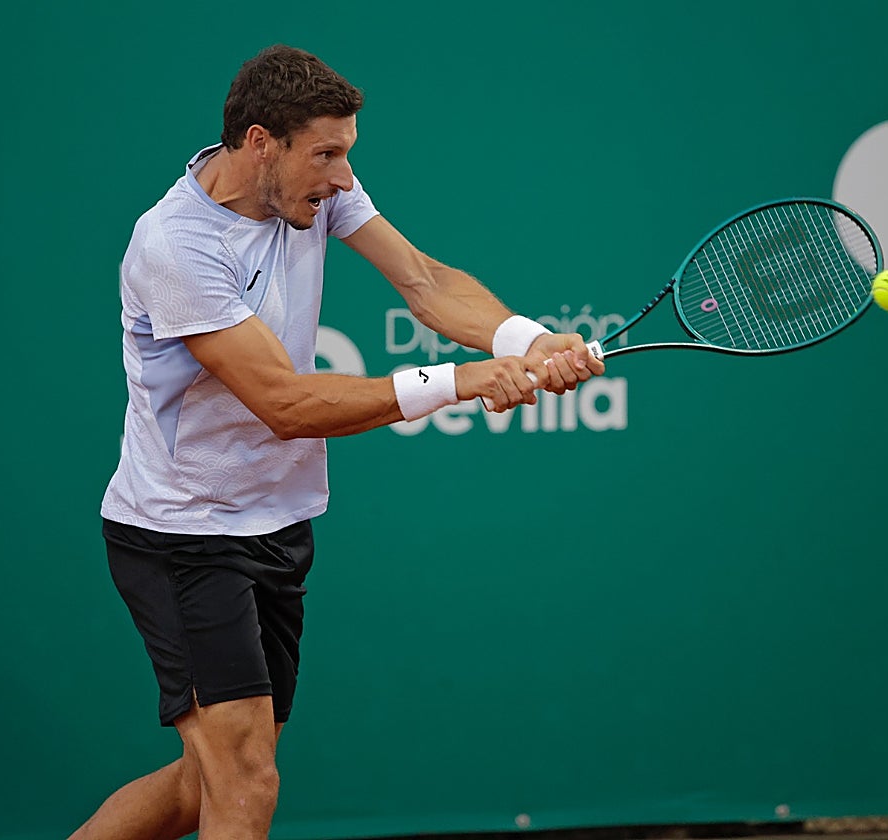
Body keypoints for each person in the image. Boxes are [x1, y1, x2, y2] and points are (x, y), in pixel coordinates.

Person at [70, 44, 604, 840]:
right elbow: (283, 403)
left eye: (346, 152)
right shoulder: (176, 246)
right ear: (261, 142)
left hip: (275, 525)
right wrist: (463, 382)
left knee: (204, 783)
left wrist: (523, 339)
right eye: (326, 154)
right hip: (184, 535)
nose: (344, 177)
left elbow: (423, 282)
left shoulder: (314, 189)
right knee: (246, 780)